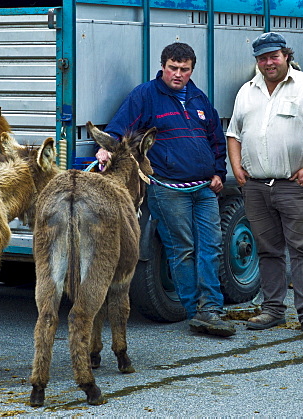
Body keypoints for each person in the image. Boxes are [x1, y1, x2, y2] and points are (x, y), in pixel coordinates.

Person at [100, 42, 234, 338]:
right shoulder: (146, 95)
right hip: (167, 188)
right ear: (163, 66)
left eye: (184, 69)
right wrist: (106, 149)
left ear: (191, 70)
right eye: (172, 68)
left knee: (211, 246)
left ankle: (212, 308)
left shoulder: (199, 98)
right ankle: (195, 311)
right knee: (182, 249)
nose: (178, 74)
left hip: (203, 188)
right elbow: (120, 126)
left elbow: (215, 139)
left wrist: (218, 172)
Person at [226, 32, 303, 336]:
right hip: (257, 186)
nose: (268, 63)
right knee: (268, 250)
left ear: (286, 55)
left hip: (294, 184)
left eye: (274, 56)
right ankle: (272, 310)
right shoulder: (247, 91)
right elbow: (234, 133)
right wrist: (236, 166)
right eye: (262, 58)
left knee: (302, 250)